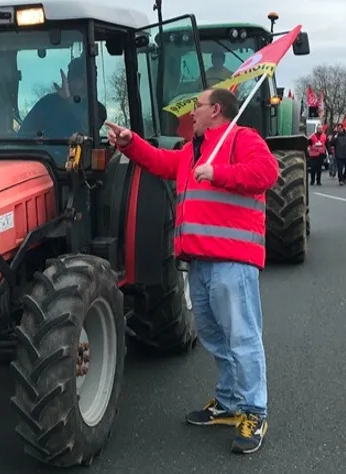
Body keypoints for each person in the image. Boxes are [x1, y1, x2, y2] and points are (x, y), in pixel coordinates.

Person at [104, 87, 278, 455]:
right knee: (215, 337)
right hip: (199, 262)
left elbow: (266, 172)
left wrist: (218, 172)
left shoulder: (241, 140)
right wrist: (129, 142)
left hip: (232, 261)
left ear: (215, 110)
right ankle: (229, 402)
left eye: (196, 107)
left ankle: (254, 411)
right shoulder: (192, 151)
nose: (190, 114)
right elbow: (159, 162)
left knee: (242, 337)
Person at [18, 56, 106, 138]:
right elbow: (24, 134)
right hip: (46, 153)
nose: (85, 84)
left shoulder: (98, 110)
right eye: (80, 79)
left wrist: (69, 100)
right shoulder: (48, 103)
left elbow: (85, 130)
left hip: (83, 154)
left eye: (89, 79)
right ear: (69, 80)